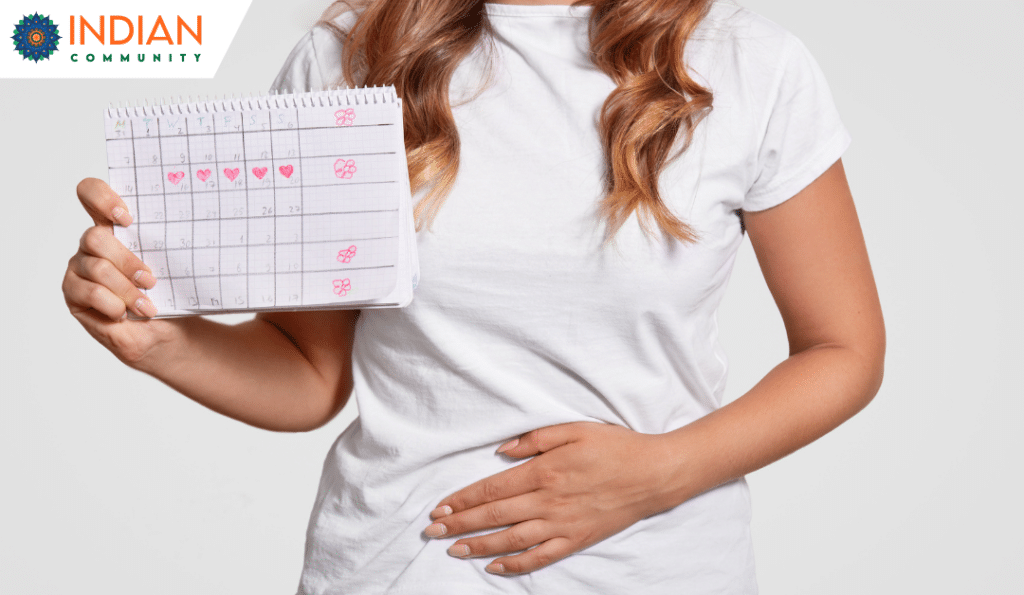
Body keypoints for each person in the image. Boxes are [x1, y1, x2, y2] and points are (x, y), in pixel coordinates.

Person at [63, 0, 885, 592]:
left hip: (658, 569)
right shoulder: (349, 54)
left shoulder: (749, 64)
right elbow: (310, 374)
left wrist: (660, 472)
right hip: (392, 567)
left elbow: (843, 349)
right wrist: (159, 340)